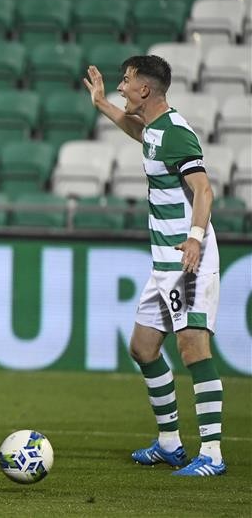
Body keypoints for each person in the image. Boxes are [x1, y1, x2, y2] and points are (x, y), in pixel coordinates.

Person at [83, 56, 226, 477]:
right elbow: (139, 133)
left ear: (145, 89)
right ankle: (169, 444)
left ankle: (213, 455)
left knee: (192, 348)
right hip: (163, 260)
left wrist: (196, 239)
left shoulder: (177, 134)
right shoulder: (155, 132)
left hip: (186, 259)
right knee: (143, 348)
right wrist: (101, 104)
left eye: (125, 82)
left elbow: (203, 190)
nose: (121, 88)